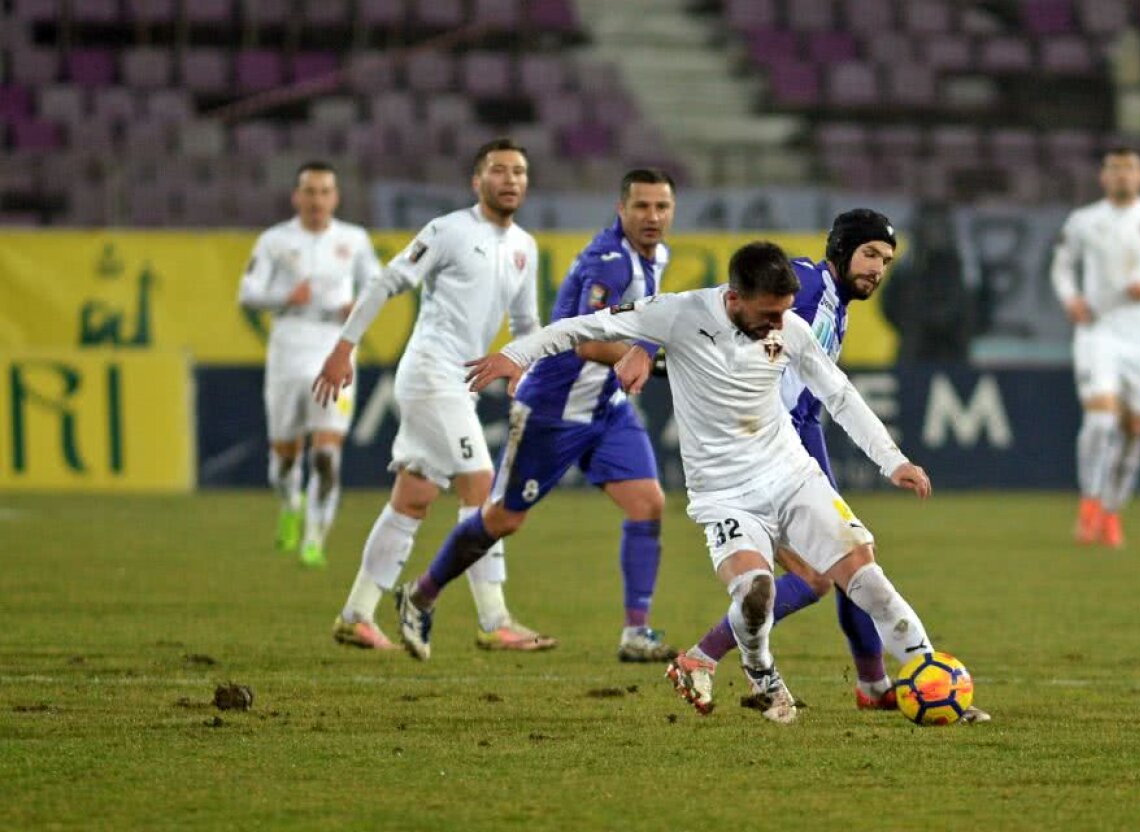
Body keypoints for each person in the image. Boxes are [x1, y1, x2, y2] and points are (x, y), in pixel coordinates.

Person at [400, 240, 984, 726]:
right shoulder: (680, 314)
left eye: (784, 313)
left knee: (868, 578)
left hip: (791, 474)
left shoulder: (792, 328)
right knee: (754, 592)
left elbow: (841, 395)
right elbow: (582, 325)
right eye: (767, 314)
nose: (778, 325)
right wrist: (514, 354)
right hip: (724, 493)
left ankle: (936, 685)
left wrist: (893, 461)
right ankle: (757, 670)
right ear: (733, 299)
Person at [413, 168, 677, 663]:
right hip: (554, 410)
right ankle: (422, 593)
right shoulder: (610, 263)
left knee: (649, 504)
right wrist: (659, 359)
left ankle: (635, 633)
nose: (652, 216)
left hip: (606, 407)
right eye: (641, 206)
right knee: (502, 519)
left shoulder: (656, 255)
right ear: (621, 210)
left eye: (661, 207)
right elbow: (588, 342)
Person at [312, 137, 555, 651]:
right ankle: (494, 621)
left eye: (519, 171)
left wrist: (526, 368)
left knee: (414, 497)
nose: (510, 179)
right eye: (498, 170)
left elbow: (527, 321)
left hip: (459, 384)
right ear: (477, 181)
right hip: (430, 372)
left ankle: (356, 613)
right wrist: (343, 349)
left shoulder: (524, 248)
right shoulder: (447, 231)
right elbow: (386, 282)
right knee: (484, 486)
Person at [685, 209, 912, 711]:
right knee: (828, 571)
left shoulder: (836, 300)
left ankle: (872, 684)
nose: (877, 267)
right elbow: (735, 303)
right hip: (776, 444)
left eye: (886, 260)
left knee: (842, 566)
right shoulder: (806, 282)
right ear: (841, 249)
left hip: (803, 433)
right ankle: (704, 656)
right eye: (869, 253)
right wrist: (648, 347)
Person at [238, 161, 382, 568]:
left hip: (334, 347)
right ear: (296, 197)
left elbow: (378, 284)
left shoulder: (354, 239)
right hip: (288, 345)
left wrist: (361, 305)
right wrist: (284, 296)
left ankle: (315, 537)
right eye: (310, 191)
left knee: (326, 452)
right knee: (285, 455)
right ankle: (289, 505)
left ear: (335, 198)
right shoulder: (275, 240)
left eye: (324, 192)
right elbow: (248, 292)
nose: (317, 199)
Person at [1052, 147, 1140, 548]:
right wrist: (1071, 299)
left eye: (1129, 169)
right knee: (1100, 421)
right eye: (1114, 169)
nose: (1122, 176)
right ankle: (1090, 503)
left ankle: (1113, 509)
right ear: (1103, 177)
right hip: (1098, 332)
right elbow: (1061, 266)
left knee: (1134, 429)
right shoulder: (1084, 221)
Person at [880, 202, 972, 362]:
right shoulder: (907, 265)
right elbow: (889, 306)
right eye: (929, 224)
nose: (935, 232)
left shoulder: (963, 266)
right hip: (914, 351)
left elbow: (975, 309)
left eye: (939, 225)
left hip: (953, 352)